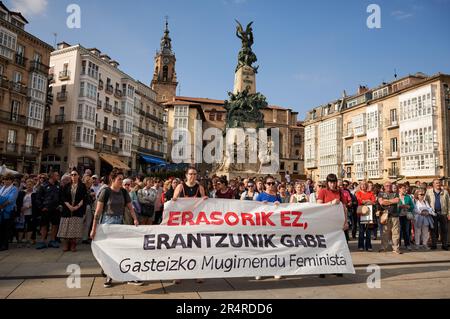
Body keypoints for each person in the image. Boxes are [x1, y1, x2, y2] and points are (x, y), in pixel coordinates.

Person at [90, 168, 140, 288]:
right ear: (112, 179)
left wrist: (135, 218)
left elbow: (130, 207)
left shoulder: (123, 192)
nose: (121, 181)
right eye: (119, 179)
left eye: (122, 179)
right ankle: (109, 276)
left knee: (122, 250)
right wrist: (93, 228)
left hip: (120, 223)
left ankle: (127, 275)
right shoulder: (105, 192)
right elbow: (98, 211)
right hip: (107, 223)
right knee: (109, 252)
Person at [172, 166, 208, 284]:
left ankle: (198, 273)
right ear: (186, 175)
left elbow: (205, 203)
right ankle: (179, 274)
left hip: (196, 223)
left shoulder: (200, 187)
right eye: (191, 174)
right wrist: (174, 200)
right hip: (182, 223)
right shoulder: (180, 186)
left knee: (197, 248)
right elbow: (173, 201)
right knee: (181, 248)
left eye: (195, 174)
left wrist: (206, 199)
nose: (193, 176)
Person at [316, 173, 349, 278]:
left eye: (334, 182)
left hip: (337, 223)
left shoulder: (340, 192)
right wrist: (331, 203)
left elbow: (344, 207)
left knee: (338, 246)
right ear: (327, 182)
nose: (332, 184)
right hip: (325, 222)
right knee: (325, 246)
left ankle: (337, 267)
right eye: (330, 182)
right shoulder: (323, 191)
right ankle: (322, 269)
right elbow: (318, 206)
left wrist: (345, 221)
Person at [255, 175, 282, 280]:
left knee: (275, 248)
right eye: (269, 183)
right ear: (265, 185)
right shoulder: (260, 196)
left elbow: (283, 210)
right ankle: (259, 270)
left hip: (274, 225)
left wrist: (279, 204)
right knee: (262, 248)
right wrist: (261, 205)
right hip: (263, 225)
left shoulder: (277, 196)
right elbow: (252, 209)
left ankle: (275, 270)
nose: (271, 185)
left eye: (273, 183)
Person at [58, 170, 87, 252]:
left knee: (74, 228)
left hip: (78, 210)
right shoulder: (66, 186)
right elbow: (63, 197)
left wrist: (77, 207)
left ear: (78, 176)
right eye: (72, 175)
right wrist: (69, 206)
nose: (73, 176)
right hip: (67, 210)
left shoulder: (82, 186)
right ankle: (66, 244)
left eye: (75, 174)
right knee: (66, 228)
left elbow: (84, 198)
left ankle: (73, 244)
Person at [35, 171, 61, 250]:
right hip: (46, 209)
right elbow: (38, 198)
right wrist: (42, 207)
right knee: (44, 225)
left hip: (56, 209)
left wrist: (60, 205)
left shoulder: (58, 185)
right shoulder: (43, 185)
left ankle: (52, 240)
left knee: (55, 225)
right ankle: (43, 241)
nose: (58, 176)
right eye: (57, 175)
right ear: (52, 176)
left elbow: (61, 196)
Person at [425, 179, 449, 250]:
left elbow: (449, 203)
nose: (438, 184)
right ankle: (434, 244)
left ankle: (444, 245)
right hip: (433, 213)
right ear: (433, 184)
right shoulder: (429, 192)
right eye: (436, 183)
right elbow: (426, 202)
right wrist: (428, 212)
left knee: (444, 230)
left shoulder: (445, 192)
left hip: (443, 213)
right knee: (433, 229)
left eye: (439, 183)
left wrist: (449, 213)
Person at [378, 181, 402, 254]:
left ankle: (396, 248)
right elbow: (381, 202)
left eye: (390, 185)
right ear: (384, 186)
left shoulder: (395, 193)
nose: (389, 187)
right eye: (387, 186)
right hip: (385, 215)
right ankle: (383, 247)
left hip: (395, 215)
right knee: (385, 233)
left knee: (396, 233)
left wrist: (387, 201)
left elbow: (397, 200)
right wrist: (392, 201)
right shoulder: (381, 193)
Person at [355, 181, 376, 251]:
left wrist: (365, 201)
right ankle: (361, 246)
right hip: (361, 213)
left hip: (369, 214)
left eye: (364, 184)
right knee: (361, 231)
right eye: (362, 185)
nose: (363, 186)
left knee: (368, 231)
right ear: (360, 186)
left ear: (366, 186)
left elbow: (373, 201)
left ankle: (368, 246)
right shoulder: (358, 193)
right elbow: (360, 201)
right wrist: (368, 201)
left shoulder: (370, 193)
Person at [0, 174, 19, 251]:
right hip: (1, 211)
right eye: (5, 179)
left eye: (8, 179)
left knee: (6, 228)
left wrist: (2, 206)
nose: (6, 181)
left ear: (11, 181)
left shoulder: (14, 189)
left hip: (9, 210)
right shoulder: (1, 188)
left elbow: (10, 199)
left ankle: (5, 245)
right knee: (0, 228)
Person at [15, 178, 35, 247]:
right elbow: (18, 202)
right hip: (22, 212)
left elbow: (36, 203)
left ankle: (28, 240)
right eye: (28, 184)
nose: (29, 186)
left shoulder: (35, 193)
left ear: (33, 185)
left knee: (29, 226)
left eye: (30, 185)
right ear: (25, 185)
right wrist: (20, 208)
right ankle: (19, 241)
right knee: (20, 227)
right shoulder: (21, 192)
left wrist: (27, 207)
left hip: (30, 212)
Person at [398, 184, 415, 251]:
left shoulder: (408, 197)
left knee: (406, 231)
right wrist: (400, 206)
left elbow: (412, 206)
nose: (404, 190)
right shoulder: (396, 196)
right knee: (399, 231)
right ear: (399, 189)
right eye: (403, 188)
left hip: (406, 216)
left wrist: (408, 207)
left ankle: (407, 244)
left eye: (405, 188)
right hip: (398, 216)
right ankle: (398, 245)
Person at [82, 176, 95, 244]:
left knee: (88, 222)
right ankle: (75, 237)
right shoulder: (82, 188)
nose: (91, 183)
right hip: (83, 207)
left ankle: (85, 238)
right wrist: (89, 194)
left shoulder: (90, 189)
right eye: (89, 181)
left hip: (89, 206)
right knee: (82, 222)